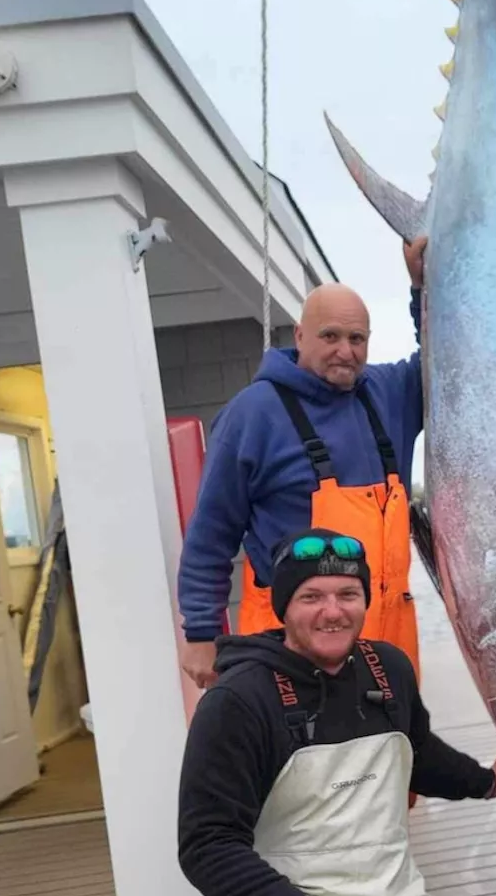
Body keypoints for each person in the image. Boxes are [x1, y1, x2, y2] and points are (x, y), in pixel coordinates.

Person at [178, 527, 496, 896]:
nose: (332, 611)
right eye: (311, 597)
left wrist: (485, 781)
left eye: (348, 594)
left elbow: (419, 754)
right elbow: (206, 845)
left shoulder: (387, 669)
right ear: (283, 608)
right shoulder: (237, 702)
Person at [177, 239, 430, 689]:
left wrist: (423, 287)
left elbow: (445, 359)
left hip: (389, 657)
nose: (345, 351)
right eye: (329, 336)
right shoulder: (252, 415)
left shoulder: (389, 393)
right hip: (291, 656)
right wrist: (201, 632)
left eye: (357, 339)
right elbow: (211, 534)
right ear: (298, 336)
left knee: (395, 758)